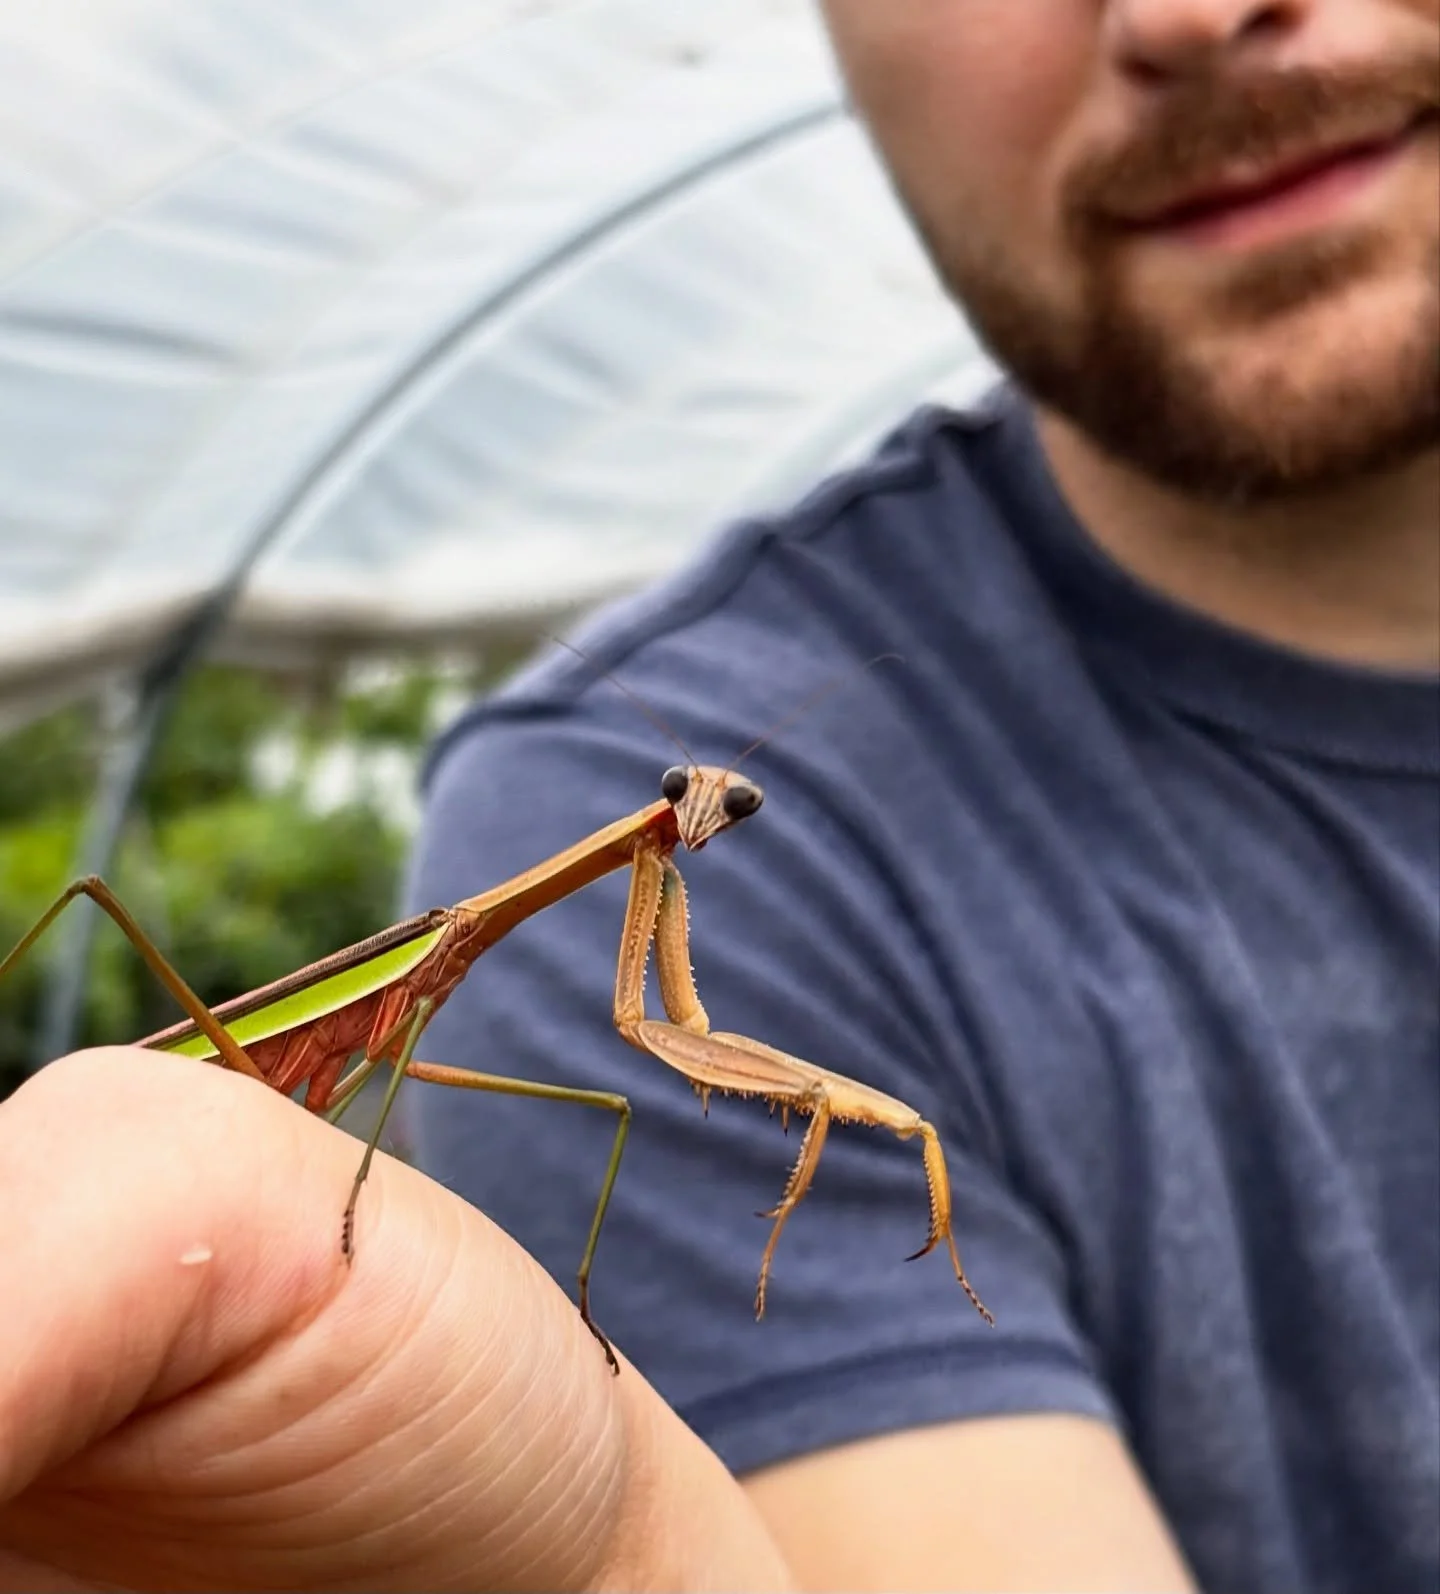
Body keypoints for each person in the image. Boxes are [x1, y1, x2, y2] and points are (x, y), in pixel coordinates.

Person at [0, 1, 1434, 1589]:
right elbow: (622, 1044)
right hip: (238, 1061)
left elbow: (663, 1041)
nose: (1189, 10)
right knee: (99, 897)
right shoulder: (554, 856)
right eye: (700, 809)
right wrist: (631, 1532)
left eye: (710, 817)